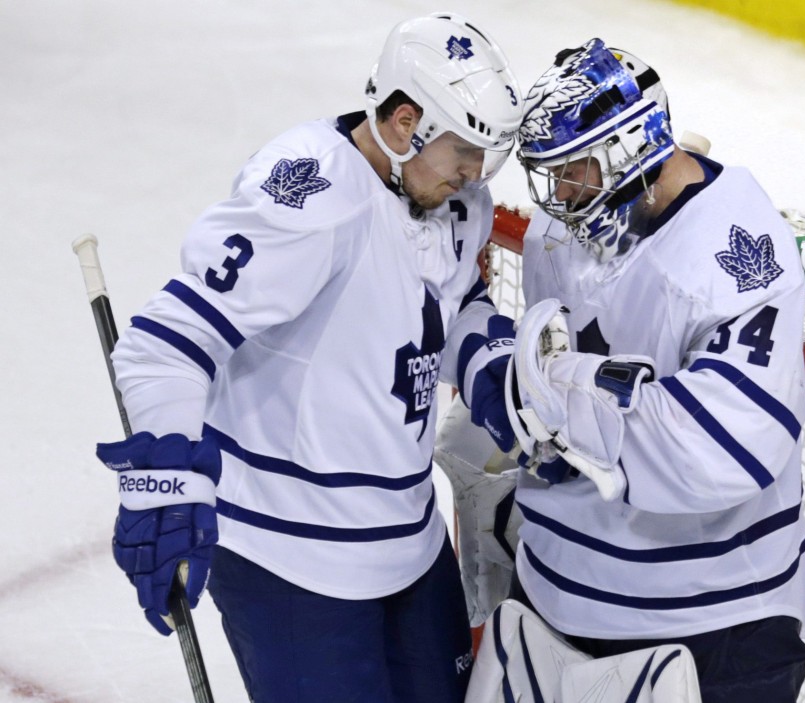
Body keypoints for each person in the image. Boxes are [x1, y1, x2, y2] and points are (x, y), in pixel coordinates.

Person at [93, 13, 523, 702]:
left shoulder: (456, 199)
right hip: (288, 561)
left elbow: (459, 297)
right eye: (467, 150)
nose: (477, 174)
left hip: (409, 545)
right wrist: (165, 484)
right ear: (405, 122)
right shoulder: (310, 199)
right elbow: (163, 344)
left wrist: (490, 362)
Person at [466, 39, 805, 702]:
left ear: (629, 151)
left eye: (576, 169)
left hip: (705, 626)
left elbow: (723, 450)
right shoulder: (560, 229)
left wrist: (559, 394)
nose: (559, 195)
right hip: (548, 600)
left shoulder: (738, 256)